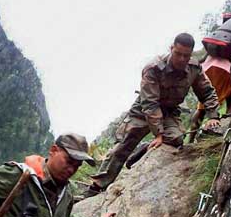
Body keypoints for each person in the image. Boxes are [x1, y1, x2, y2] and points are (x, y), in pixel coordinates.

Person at [87, 32, 220, 195]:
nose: (182, 59)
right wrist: (158, 134)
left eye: (186, 56)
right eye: (178, 54)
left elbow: (206, 92)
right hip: (143, 110)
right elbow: (150, 104)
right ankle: (97, 186)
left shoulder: (194, 68)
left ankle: (143, 150)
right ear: (171, 48)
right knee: (122, 146)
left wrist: (213, 116)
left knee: (176, 139)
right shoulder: (153, 68)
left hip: (169, 112)